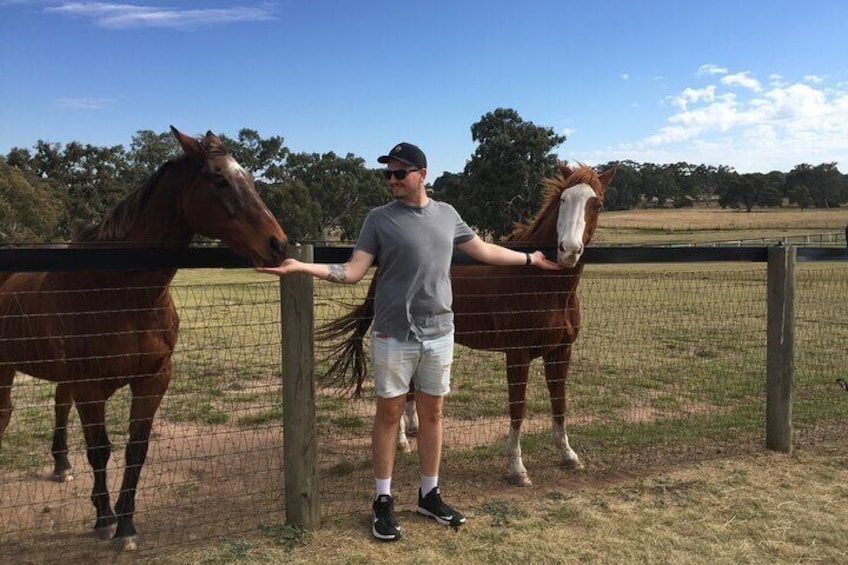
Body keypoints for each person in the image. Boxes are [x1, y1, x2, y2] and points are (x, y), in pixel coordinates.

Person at [256, 142, 562, 541]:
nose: (392, 181)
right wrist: (300, 267)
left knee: (433, 414)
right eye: (388, 174)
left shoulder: (448, 216)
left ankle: (428, 494)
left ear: (422, 174)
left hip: (440, 333)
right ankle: (382, 500)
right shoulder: (378, 220)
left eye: (400, 173)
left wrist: (529, 260)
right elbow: (351, 272)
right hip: (393, 334)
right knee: (389, 415)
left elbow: (483, 251)